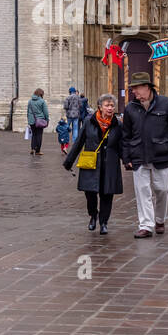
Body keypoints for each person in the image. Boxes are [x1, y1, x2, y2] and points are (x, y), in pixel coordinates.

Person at [120, 72, 168, 238]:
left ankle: (160, 219)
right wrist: (126, 157)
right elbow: (126, 135)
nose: (134, 92)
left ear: (147, 87)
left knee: (162, 189)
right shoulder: (130, 108)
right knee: (142, 192)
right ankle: (146, 225)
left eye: (136, 88)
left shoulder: (166, 103)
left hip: (161, 155)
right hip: (139, 155)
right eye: (132, 89)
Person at [63, 93, 125, 234]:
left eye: (112, 105)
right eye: (107, 105)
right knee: (90, 193)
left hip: (110, 164)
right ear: (100, 107)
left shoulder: (118, 125)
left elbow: (122, 146)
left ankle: (103, 222)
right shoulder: (89, 121)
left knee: (106, 194)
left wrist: (127, 161)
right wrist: (69, 161)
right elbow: (79, 142)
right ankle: (93, 215)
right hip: (91, 163)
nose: (110, 108)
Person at [26, 88, 49, 156]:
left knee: (33, 135)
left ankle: (32, 148)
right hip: (40, 121)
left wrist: (29, 119)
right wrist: (47, 120)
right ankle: (38, 150)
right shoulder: (42, 101)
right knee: (39, 135)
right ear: (41, 94)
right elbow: (46, 112)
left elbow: (28, 112)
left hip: (31, 121)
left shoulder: (30, 101)